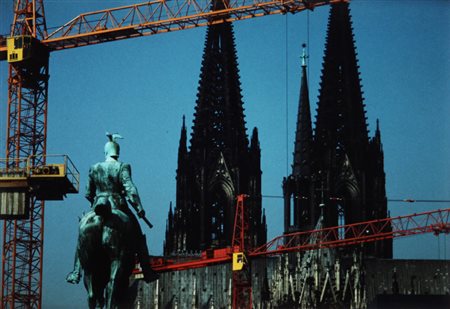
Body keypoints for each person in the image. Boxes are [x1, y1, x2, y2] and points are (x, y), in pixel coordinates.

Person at [66, 133, 158, 283]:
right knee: (139, 237)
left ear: (106, 152)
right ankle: (147, 271)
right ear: (117, 152)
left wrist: (95, 200)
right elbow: (131, 190)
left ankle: (76, 272)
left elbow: (88, 193)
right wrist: (139, 208)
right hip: (118, 204)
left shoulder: (94, 168)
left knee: (82, 235)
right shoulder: (123, 167)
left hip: (98, 205)